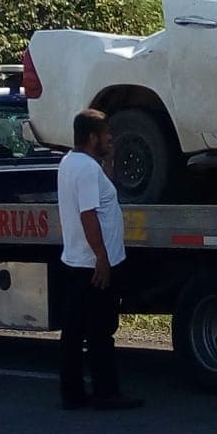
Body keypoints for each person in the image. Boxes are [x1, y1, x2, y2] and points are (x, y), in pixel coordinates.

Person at [58, 109, 143, 411]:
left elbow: (97, 198)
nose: (111, 138)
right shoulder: (85, 170)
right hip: (92, 265)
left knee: (74, 330)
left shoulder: (72, 163)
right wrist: (102, 258)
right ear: (92, 137)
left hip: (77, 261)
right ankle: (106, 392)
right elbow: (88, 215)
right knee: (100, 331)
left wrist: (107, 163)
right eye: (106, 134)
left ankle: (73, 393)